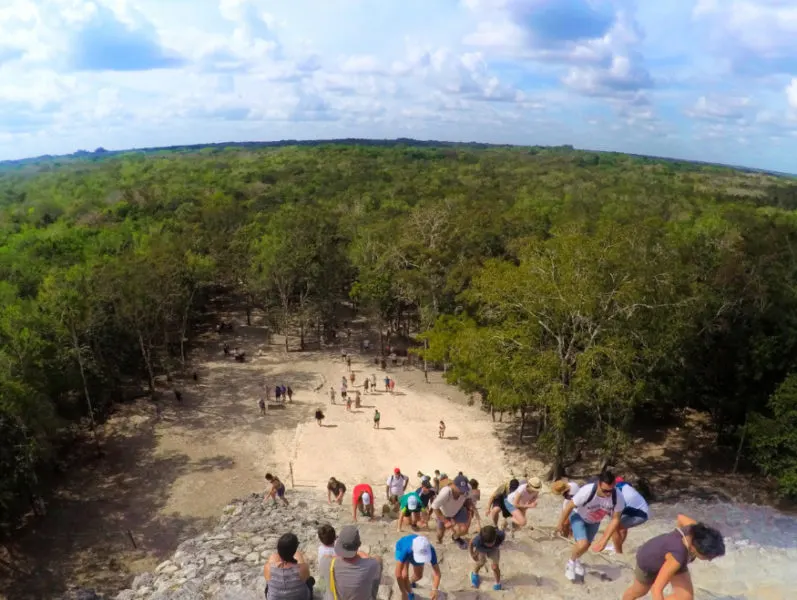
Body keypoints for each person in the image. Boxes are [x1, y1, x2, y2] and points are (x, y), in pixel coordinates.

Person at [622, 514, 725, 600]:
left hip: (672, 557)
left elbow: (680, 517)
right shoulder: (678, 557)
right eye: (708, 556)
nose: (710, 559)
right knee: (639, 591)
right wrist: (675, 545)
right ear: (694, 548)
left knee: (685, 597)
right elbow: (656, 589)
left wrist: (675, 536)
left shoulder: (695, 530)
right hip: (648, 561)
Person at [555, 470, 625, 582]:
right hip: (578, 516)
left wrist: (604, 540)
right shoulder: (587, 491)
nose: (608, 494)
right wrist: (561, 524)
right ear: (599, 484)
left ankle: (577, 560)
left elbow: (615, 519)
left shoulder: (618, 497)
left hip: (594, 522)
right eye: (605, 491)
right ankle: (570, 563)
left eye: (611, 491)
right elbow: (569, 506)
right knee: (582, 543)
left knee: (586, 546)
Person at [320, 525, 383, 600]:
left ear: (339, 544)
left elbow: (328, 557)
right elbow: (378, 559)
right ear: (358, 545)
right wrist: (361, 555)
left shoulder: (325, 562)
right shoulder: (372, 565)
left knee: (324, 583)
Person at [263, 533, 314, 600]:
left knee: (273, 557)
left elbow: (268, 582)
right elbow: (307, 578)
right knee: (310, 580)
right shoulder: (304, 568)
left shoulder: (267, 567)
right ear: (294, 550)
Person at [394, 534, 441, 600]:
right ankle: (409, 593)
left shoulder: (431, 550)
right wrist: (403, 593)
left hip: (415, 552)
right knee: (404, 575)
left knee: (418, 575)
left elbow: (437, 573)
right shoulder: (406, 549)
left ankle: (409, 583)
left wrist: (435, 589)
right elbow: (398, 573)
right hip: (401, 547)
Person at [430, 476, 471, 549]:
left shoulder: (468, 488)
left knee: (464, 530)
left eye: (464, 489)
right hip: (443, 513)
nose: (463, 492)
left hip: (458, 510)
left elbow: (468, 498)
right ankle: (439, 542)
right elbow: (434, 507)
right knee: (440, 534)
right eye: (460, 489)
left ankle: (455, 537)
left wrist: (469, 508)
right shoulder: (446, 492)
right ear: (453, 485)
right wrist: (445, 521)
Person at [612, 478, 650, 554]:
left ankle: (618, 553)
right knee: (621, 528)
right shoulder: (626, 487)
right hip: (635, 510)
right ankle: (617, 547)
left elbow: (615, 516)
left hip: (641, 514)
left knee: (614, 528)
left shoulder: (622, 495)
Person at [469, 525, 505, 591]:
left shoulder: (500, 535)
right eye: (488, 544)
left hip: (494, 549)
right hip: (481, 550)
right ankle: (474, 573)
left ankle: (497, 582)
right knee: (480, 563)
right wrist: (472, 554)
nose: (490, 545)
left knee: (495, 567)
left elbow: (502, 533)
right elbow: (471, 543)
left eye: (492, 542)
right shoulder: (478, 540)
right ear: (482, 541)